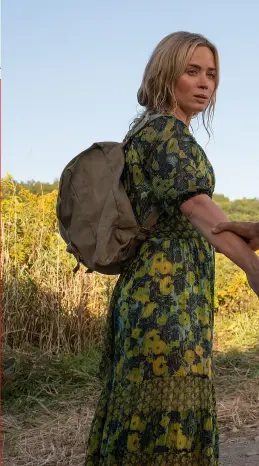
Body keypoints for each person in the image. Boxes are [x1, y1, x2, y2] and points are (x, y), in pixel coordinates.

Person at [86, 31, 259, 466]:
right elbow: (199, 209)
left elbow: (207, 220)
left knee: (149, 411)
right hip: (166, 300)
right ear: (166, 74)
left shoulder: (149, 131)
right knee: (167, 416)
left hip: (161, 293)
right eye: (192, 71)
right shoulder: (165, 133)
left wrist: (246, 231)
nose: (205, 83)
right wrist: (253, 269)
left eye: (212, 74)